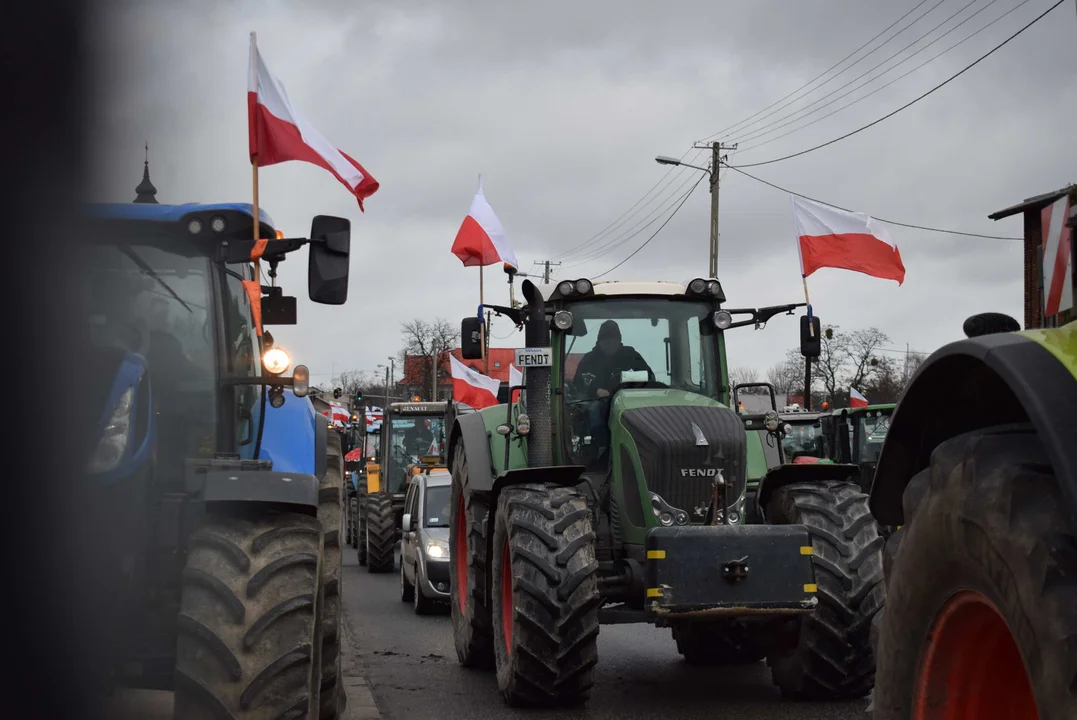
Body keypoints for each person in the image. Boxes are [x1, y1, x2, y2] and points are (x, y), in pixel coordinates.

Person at [572, 320, 654, 456]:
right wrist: (596, 390)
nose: (610, 344)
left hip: (630, 402)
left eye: (613, 341)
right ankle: (602, 449)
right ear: (599, 342)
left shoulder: (631, 355)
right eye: (606, 341)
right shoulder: (589, 360)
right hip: (598, 401)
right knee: (595, 413)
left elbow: (649, 376)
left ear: (619, 341)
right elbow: (578, 383)